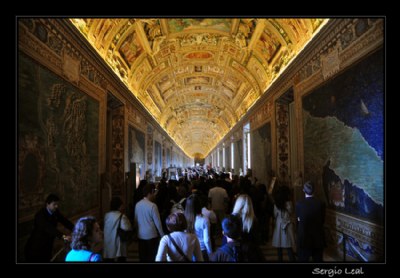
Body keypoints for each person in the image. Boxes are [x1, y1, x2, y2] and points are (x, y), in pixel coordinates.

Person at [25, 193, 74, 262]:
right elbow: (49, 228)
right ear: (47, 204)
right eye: (54, 204)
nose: (56, 206)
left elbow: (65, 221)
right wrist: (64, 237)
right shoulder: (40, 215)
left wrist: (76, 229)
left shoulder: (55, 211)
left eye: (57, 204)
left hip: (47, 245)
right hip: (36, 247)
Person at [296, 182, 326, 262]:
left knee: (303, 259)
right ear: (314, 191)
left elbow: (298, 220)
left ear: (303, 190)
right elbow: (322, 220)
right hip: (318, 237)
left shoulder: (299, 204)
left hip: (304, 238)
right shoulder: (321, 203)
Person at [103, 196, 133, 262]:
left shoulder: (106, 215)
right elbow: (127, 228)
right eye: (122, 205)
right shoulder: (121, 216)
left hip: (108, 244)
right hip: (118, 245)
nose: (123, 207)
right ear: (119, 206)